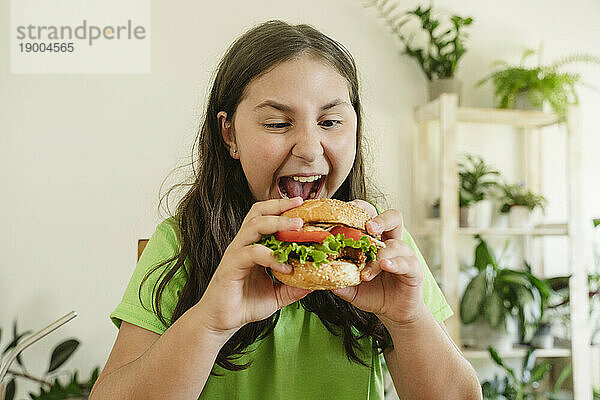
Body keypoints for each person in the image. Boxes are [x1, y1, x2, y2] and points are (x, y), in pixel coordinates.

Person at [90, 20, 482, 400]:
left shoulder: (380, 248)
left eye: (331, 122)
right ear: (230, 134)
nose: (309, 148)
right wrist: (209, 322)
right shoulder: (180, 243)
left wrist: (408, 319)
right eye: (278, 124)